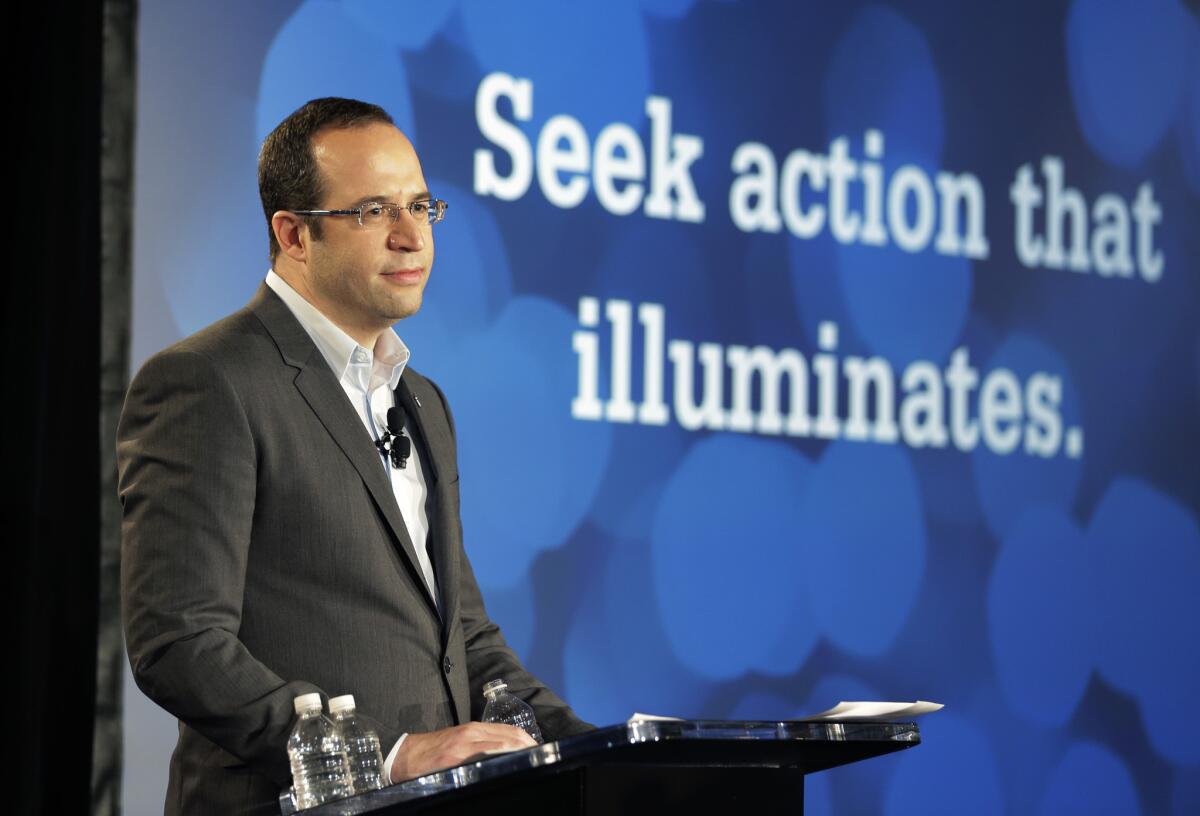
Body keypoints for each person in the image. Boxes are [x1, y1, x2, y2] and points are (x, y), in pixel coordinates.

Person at [117, 97, 592, 815]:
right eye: (373, 211)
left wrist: (608, 759)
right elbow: (178, 641)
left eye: (421, 206)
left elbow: (463, 637)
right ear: (294, 234)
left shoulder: (422, 403)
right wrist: (387, 757)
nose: (411, 237)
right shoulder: (210, 381)